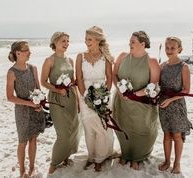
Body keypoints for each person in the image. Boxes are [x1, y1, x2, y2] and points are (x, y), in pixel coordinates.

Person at [113, 31, 160, 170]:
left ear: (143, 44)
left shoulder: (151, 61)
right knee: (123, 128)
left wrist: (135, 94)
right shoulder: (122, 56)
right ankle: (126, 153)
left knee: (141, 129)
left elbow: (155, 85)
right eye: (129, 41)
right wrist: (119, 88)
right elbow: (114, 74)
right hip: (121, 102)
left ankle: (139, 156)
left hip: (141, 103)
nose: (129, 44)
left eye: (133, 42)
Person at [76, 26, 114, 172]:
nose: (86, 42)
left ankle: (100, 158)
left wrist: (103, 96)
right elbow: (78, 77)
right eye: (86, 39)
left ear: (98, 40)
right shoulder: (80, 56)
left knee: (101, 127)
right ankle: (91, 156)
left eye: (90, 39)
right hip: (84, 95)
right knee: (88, 128)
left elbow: (109, 78)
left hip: (102, 95)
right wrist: (86, 96)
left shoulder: (106, 57)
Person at [41, 32, 79, 174]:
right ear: (55, 42)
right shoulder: (49, 60)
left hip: (71, 98)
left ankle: (65, 156)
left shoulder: (70, 60)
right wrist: (57, 89)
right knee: (62, 133)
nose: (66, 43)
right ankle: (54, 162)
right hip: (57, 100)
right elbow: (43, 81)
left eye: (68, 41)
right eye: (63, 41)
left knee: (72, 129)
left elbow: (73, 80)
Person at [6, 41, 45, 178]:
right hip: (22, 111)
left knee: (33, 139)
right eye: (26, 50)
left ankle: (32, 168)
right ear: (18, 53)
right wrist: (29, 103)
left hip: (36, 109)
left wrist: (40, 103)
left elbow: (38, 89)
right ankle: (22, 171)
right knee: (22, 141)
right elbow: (10, 97)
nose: (30, 52)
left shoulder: (33, 68)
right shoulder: (12, 72)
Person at [158, 37, 192, 174]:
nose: (169, 50)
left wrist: (171, 100)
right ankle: (167, 161)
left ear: (179, 49)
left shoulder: (183, 67)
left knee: (177, 135)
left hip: (177, 105)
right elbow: (158, 85)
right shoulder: (162, 66)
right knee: (166, 135)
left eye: (173, 48)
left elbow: (186, 90)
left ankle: (177, 164)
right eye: (167, 48)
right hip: (163, 105)